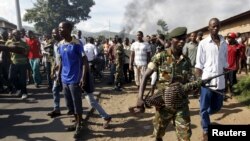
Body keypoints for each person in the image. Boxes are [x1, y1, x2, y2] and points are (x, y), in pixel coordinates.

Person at [130, 27, 192, 141]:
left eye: (183, 38)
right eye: (178, 38)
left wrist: (194, 86)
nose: (182, 41)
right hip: (163, 104)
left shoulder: (186, 61)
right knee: (158, 133)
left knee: (185, 137)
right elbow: (145, 76)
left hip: (181, 104)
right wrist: (140, 98)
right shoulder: (161, 56)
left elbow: (189, 82)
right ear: (171, 40)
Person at [195, 18, 228, 141]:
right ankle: (206, 130)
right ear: (208, 28)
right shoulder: (203, 43)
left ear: (219, 27)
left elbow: (225, 63)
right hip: (207, 81)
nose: (215, 28)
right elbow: (199, 65)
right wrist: (199, 81)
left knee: (217, 106)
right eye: (213, 26)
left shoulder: (225, 43)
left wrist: (227, 78)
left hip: (220, 81)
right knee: (204, 108)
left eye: (217, 26)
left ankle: (204, 114)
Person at [57, 21, 88, 138]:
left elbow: (85, 62)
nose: (60, 30)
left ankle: (79, 124)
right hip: (64, 79)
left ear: (69, 29)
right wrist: (58, 76)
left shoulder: (77, 44)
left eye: (62, 28)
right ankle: (76, 122)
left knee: (77, 104)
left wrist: (83, 78)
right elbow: (61, 61)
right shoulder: (60, 44)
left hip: (75, 79)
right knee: (70, 105)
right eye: (59, 28)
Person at [6, 29, 30, 99]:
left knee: (22, 79)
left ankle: (24, 93)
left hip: (23, 63)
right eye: (17, 34)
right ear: (13, 35)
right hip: (13, 63)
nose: (19, 35)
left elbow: (26, 53)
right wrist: (9, 59)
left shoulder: (24, 43)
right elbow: (6, 52)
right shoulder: (9, 42)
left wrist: (19, 49)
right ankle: (19, 89)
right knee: (11, 78)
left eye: (19, 33)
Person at [47, 28, 63, 118]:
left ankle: (74, 113)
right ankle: (56, 109)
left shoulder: (63, 44)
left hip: (65, 72)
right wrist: (53, 70)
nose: (54, 35)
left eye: (56, 33)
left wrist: (57, 69)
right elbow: (55, 59)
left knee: (68, 93)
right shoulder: (55, 44)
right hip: (57, 71)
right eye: (52, 33)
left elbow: (63, 60)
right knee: (55, 90)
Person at [225, 32, 240, 97]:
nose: (228, 39)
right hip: (225, 66)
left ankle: (231, 91)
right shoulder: (225, 46)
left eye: (230, 38)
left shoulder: (237, 46)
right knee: (224, 80)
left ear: (234, 39)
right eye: (228, 37)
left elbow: (239, 57)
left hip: (233, 67)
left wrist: (238, 66)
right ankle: (224, 93)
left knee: (231, 81)